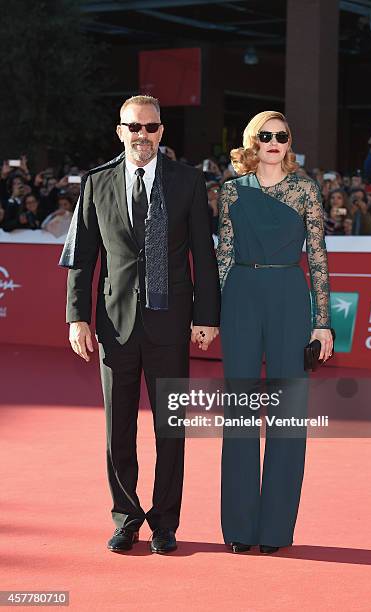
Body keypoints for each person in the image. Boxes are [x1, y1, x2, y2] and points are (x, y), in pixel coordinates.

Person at [59, 94, 220, 554]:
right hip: (114, 324)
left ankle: (166, 522)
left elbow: (203, 258)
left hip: (171, 323)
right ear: (120, 132)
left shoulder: (188, 181)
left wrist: (206, 317)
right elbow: (82, 259)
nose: (142, 136)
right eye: (134, 127)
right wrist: (76, 318)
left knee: (171, 428)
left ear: (162, 132)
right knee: (118, 428)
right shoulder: (96, 182)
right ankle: (126, 517)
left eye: (151, 128)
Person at [216, 110, 333, 554]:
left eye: (281, 136)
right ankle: (240, 528)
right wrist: (209, 314)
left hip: (288, 293)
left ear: (289, 143)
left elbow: (319, 257)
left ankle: (276, 530)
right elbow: (223, 256)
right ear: (252, 141)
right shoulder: (230, 192)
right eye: (265, 136)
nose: (273, 142)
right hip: (242, 296)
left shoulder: (305, 190)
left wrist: (323, 321)